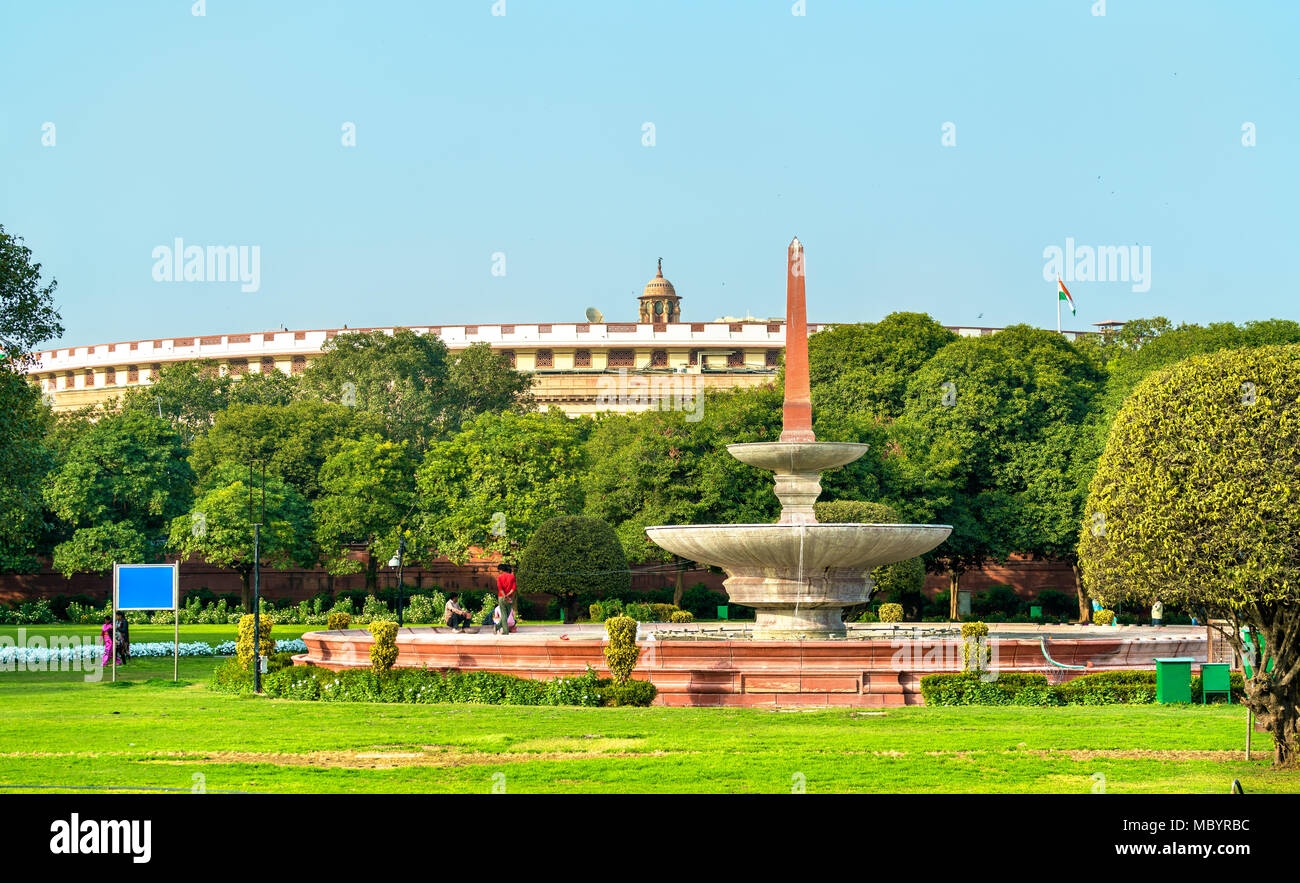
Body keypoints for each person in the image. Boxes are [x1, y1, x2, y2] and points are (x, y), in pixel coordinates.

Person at [495, 563, 517, 635]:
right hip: (509, 597)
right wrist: (508, 595)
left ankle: (502, 630)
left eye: (499, 571)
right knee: (506, 614)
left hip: (501, 597)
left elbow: (500, 588)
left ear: (501, 570)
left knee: (504, 614)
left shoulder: (499, 577)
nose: (499, 572)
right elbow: (513, 588)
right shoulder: (512, 577)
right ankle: (502, 629)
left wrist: (504, 595)